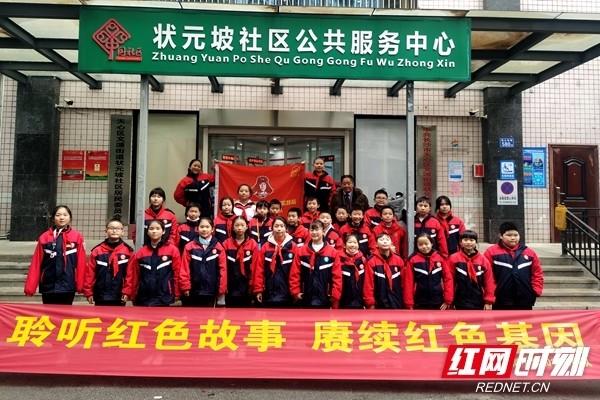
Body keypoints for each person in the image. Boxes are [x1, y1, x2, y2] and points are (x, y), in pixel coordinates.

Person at [24, 205, 86, 305]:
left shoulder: (76, 237)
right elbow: (36, 263)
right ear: (53, 218)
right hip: (48, 285)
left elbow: (81, 263)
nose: (61, 217)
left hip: (68, 284)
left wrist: (81, 285)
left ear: (70, 218)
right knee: (48, 313)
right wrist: (30, 287)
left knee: (65, 313)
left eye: (65, 215)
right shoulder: (44, 237)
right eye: (58, 215)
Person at [484, 222, 544, 310]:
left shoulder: (529, 252)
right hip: (500, 299)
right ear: (501, 236)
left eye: (516, 235)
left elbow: (537, 273)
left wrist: (535, 291)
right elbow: (487, 277)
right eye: (509, 235)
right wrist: (490, 295)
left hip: (525, 300)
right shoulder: (491, 252)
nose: (513, 238)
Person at [122, 219, 181, 306]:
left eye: (158, 228)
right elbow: (134, 275)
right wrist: (130, 293)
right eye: (151, 229)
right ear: (147, 231)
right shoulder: (140, 253)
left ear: (163, 231)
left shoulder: (172, 250)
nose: (154, 231)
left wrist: (177, 292)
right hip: (143, 297)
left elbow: (177, 273)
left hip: (165, 296)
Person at [290, 220, 342, 308]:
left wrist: (335, 294)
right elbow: (295, 273)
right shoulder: (301, 251)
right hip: (305, 298)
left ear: (323, 231)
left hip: (325, 298)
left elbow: (337, 276)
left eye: (317, 229)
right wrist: (295, 292)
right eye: (312, 230)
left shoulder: (333, 252)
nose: (314, 232)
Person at [83, 218, 133, 306]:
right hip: (100, 294)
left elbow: (130, 275)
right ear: (106, 231)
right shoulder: (97, 251)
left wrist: (127, 292)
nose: (114, 231)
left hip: (119, 295)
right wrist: (88, 292)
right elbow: (90, 273)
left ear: (123, 232)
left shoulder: (128, 252)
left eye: (118, 228)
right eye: (111, 228)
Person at [180, 217, 227, 307]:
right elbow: (184, 268)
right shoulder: (189, 247)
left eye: (207, 227)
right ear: (197, 229)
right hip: (193, 290)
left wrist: (221, 289)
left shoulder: (218, 247)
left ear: (212, 229)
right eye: (202, 227)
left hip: (212, 290)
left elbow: (223, 270)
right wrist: (185, 286)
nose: (204, 229)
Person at [252, 217, 297, 307]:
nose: (279, 229)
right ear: (272, 228)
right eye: (276, 226)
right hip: (268, 293)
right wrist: (258, 290)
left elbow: (296, 272)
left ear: (286, 229)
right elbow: (259, 270)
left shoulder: (293, 247)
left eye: (282, 226)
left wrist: (295, 291)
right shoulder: (265, 247)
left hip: (288, 294)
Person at [403, 233, 453, 310]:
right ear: (417, 245)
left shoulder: (440, 258)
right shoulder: (412, 260)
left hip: (438, 301)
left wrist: (448, 300)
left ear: (432, 243)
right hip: (419, 301)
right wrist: (409, 303)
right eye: (420, 245)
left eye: (426, 244)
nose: (424, 247)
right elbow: (408, 282)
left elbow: (448, 279)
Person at [447, 230, 495, 310]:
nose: (468, 242)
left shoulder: (483, 261)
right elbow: (449, 280)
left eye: (472, 240)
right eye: (465, 240)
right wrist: (449, 300)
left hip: (479, 301)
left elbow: (489, 281)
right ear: (460, 242)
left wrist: (488, 301)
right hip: (459, 301)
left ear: (476, 242)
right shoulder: (453, 259)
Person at [222, 216, 258, 307]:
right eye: (237, 225)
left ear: (247, 227)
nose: (239, 228)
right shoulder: (226, 243)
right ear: (233, 228)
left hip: (247, 287)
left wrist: (252, 285)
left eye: (242, 225)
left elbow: (255, 267)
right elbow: (223, 267)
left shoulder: (253, 244)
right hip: (230, 286)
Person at [363, 233, 406, 309]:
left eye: (387, 239)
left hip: (397, 302)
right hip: (378, 303)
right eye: (382, 240)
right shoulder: (371, 261)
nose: (385, 241)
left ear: (391, 243)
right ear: (376, 244)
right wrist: (370, 303)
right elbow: (368, 284)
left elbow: (404, 283)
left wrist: (405, 301)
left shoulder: (399, 260)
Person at [338, 234, 367, 309]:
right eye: (350, 242)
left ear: (358, 245)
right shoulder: (339, 260)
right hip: (343, 302)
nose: (352, 245)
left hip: (359, 302)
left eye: (355, 242)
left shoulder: (363, 260)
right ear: (344, 245)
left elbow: (366, 282)